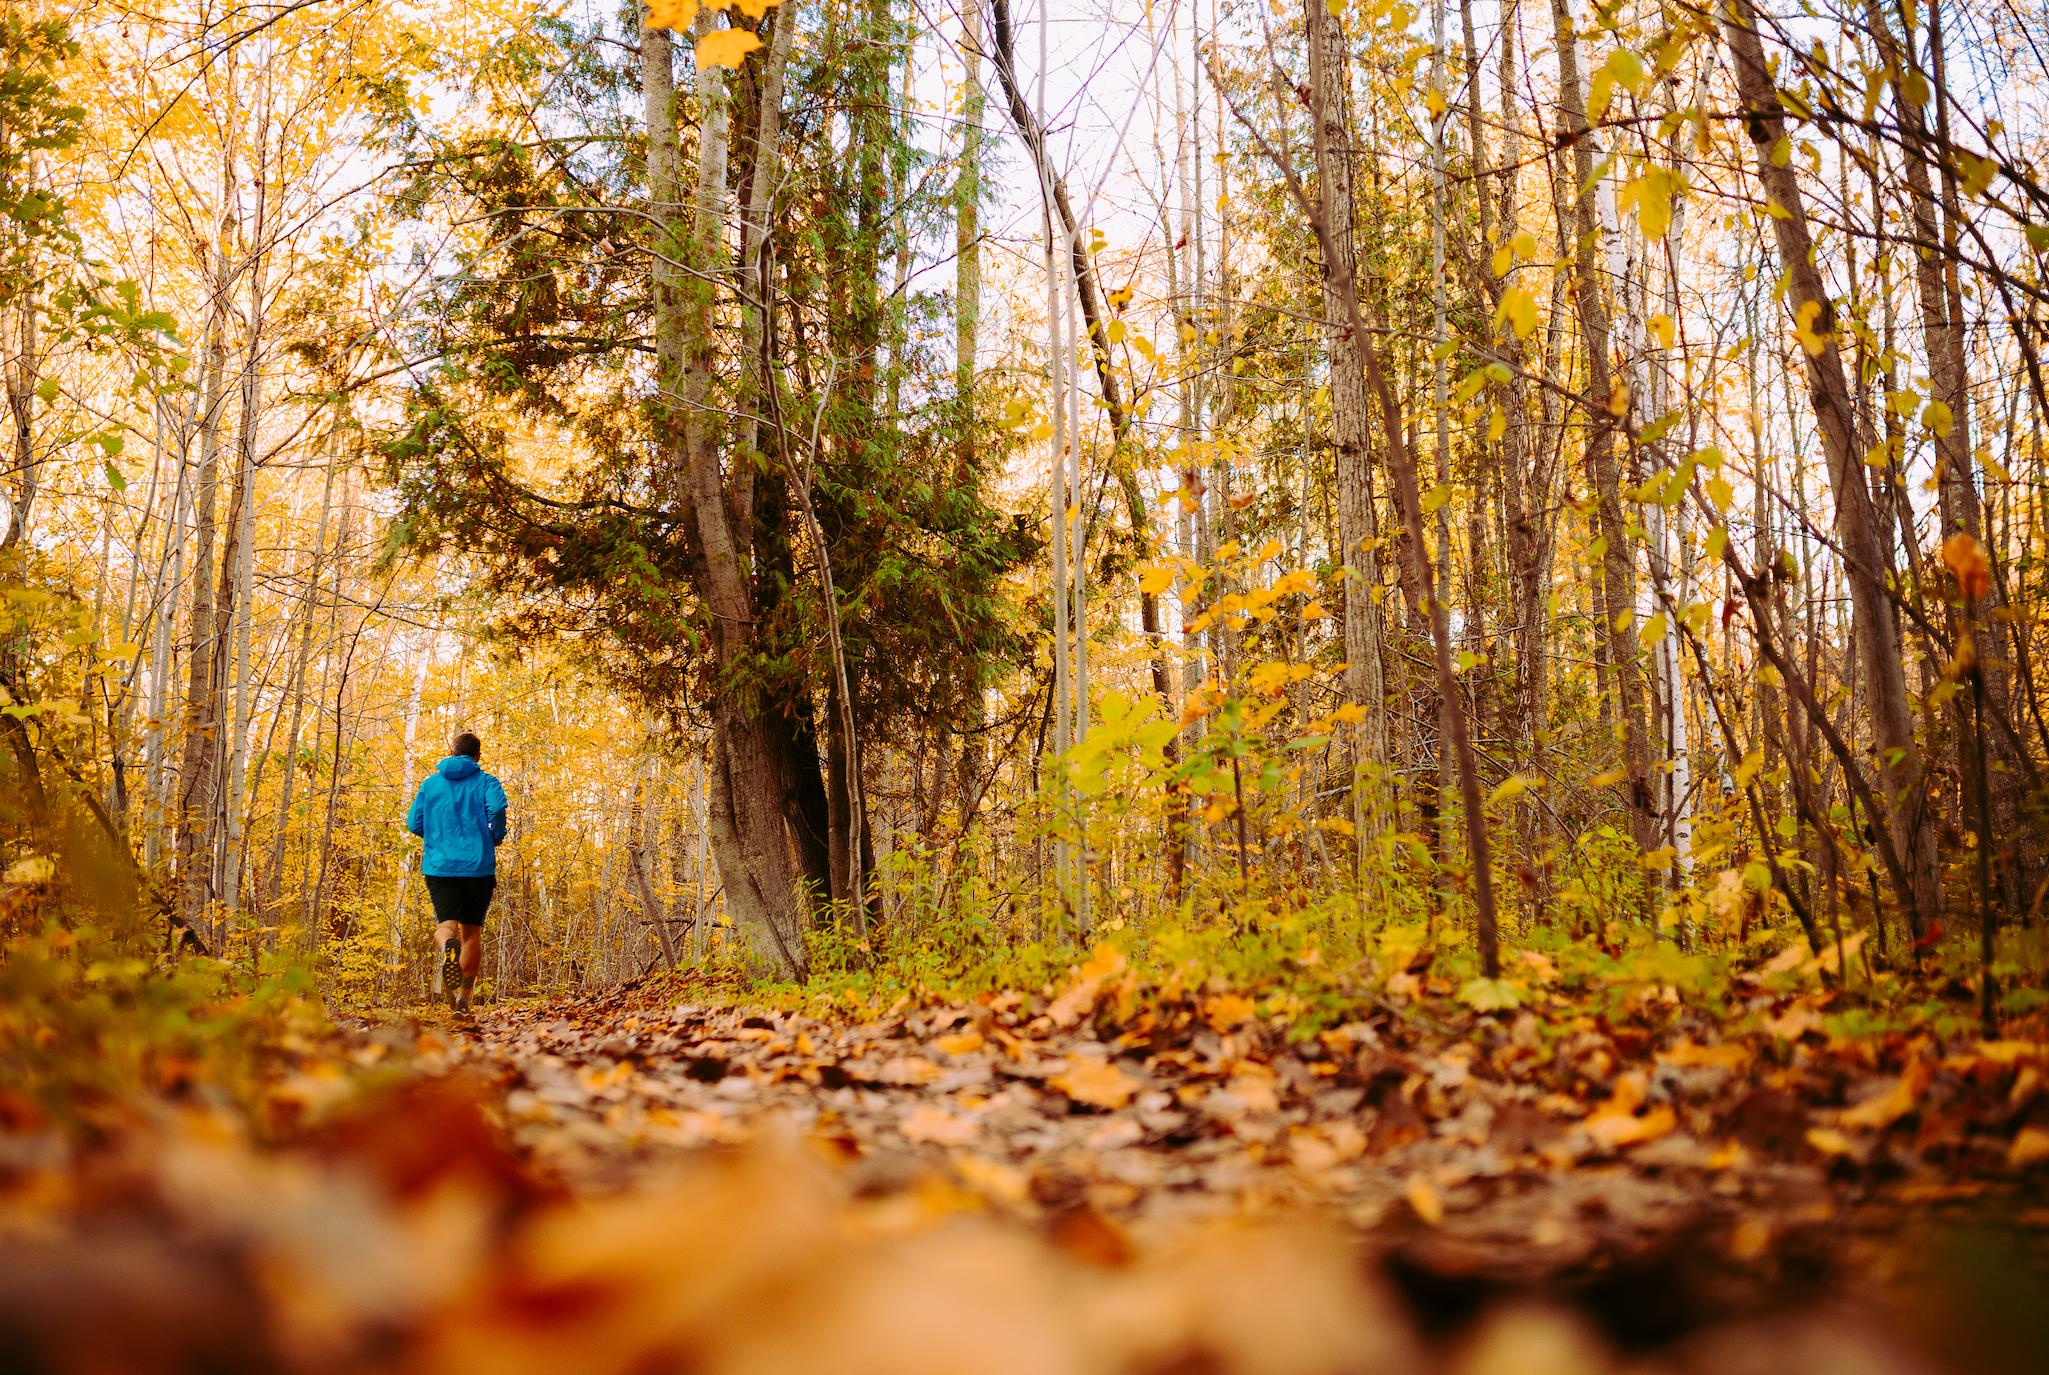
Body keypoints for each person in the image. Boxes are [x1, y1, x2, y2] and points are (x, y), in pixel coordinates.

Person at [405, 731, 509, 1011]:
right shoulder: (487, 781)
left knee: (446, 925)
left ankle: (447, 944)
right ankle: (463, 1002)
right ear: (477, 756)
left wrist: (437, 834)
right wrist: (496, 834)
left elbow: (414, 823)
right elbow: (497, 809)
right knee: (471, 933)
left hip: (440, 867)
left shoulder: (430, 783)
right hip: (478, 867)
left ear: (452, 753)